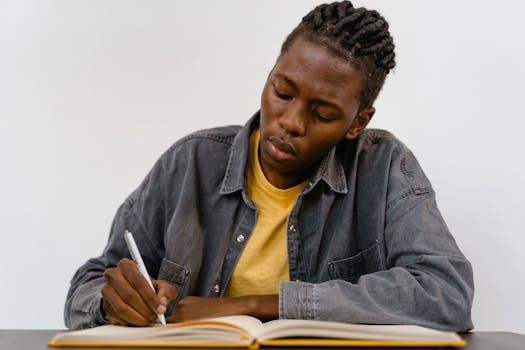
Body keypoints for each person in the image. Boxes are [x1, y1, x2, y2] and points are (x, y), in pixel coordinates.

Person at [64, 1, 474, 332]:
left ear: (358, 122)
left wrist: (256, 306)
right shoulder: (189, 163)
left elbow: (445, 291)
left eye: (323, 113)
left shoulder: (384, 168)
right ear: (270, 76)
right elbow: (89, 285)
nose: (291, 122)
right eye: (282, 91)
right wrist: (110, 302)